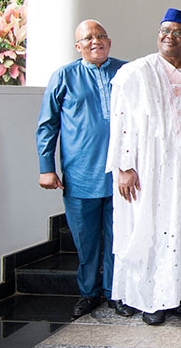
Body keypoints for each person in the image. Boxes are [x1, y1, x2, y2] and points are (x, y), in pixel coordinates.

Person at [107, 8, 181, 326]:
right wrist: (124, 167)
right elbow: (121, 122)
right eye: (164, 31)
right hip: (148, 169)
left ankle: (179, 294)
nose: (170, 37)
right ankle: (151, 299)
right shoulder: (136, 72)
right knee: (149, 230)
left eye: (178, 33)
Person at [36, 20, 129, 320]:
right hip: (81, 175)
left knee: (119, 238)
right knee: (86, 240)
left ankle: (116, 292)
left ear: (110, 41)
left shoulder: (126, 72)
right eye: (88, 38)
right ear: (77, 46)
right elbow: (47, 126)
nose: (95, 41)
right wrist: (46, 168)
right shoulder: (64, 76)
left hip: (122, 175)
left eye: (101, 36)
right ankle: (89, 292)